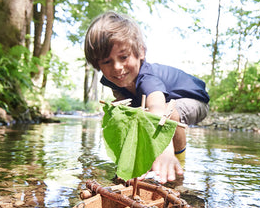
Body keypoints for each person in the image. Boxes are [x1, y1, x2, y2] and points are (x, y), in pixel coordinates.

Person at [84, 11, 209, 184]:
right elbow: (126, 107)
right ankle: (140, 165)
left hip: (194, 100)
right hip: (162, 103)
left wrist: (163, 150)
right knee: (124, 114)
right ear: (98, 64)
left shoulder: (147, 78)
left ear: (140, 52)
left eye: (124, 57)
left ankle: (176, 167)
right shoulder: (111, 80)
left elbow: (157, 108)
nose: (117, 67)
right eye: (107, 62)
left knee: (168, 112)